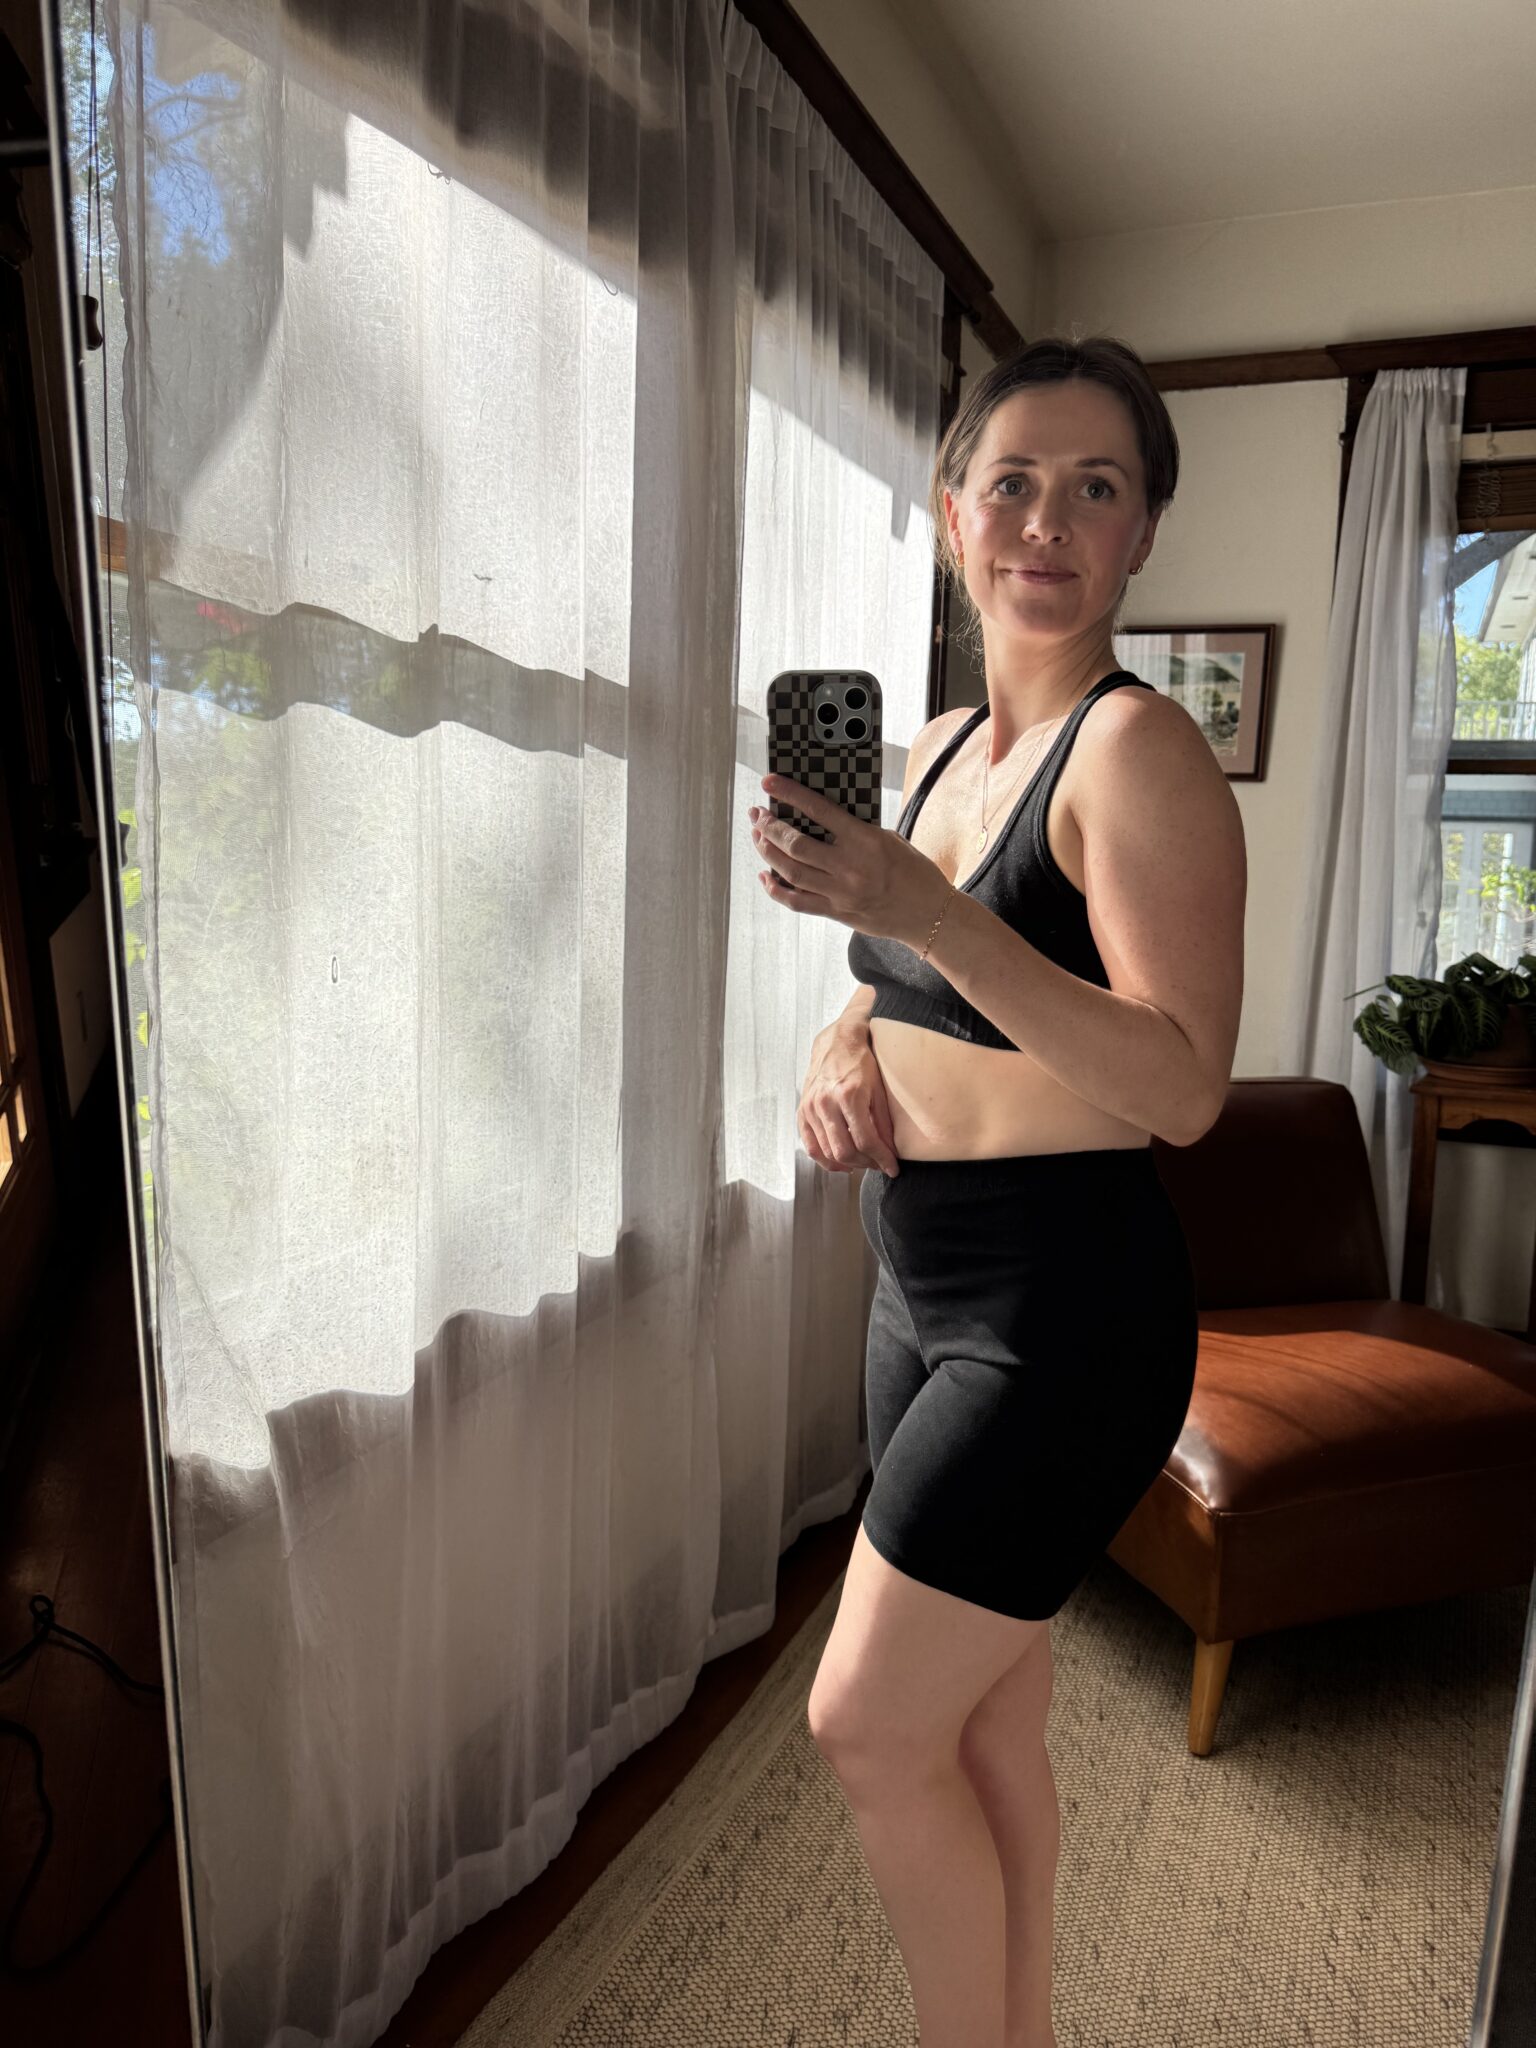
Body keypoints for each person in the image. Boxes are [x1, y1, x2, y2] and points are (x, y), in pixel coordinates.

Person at [744, 333, 1246, 2048]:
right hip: (918, 1279)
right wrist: (838, 1038)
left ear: (1142, 533)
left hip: (1064, 1311)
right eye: (1013, 483)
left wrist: (923, 908)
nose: (1047, 520)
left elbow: (1180, 1084)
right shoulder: (948, 742)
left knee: (865, 1724)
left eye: (1095, 488)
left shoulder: (1138, 756)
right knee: (985, 1725)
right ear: (954, 512)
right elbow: (914, 985)